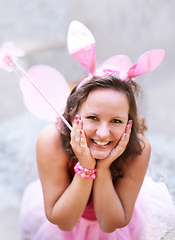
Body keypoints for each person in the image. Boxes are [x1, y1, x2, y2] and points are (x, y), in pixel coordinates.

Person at [19, 21, 175, 240]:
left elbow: (110, 224)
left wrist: (103, 170)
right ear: (73, 113)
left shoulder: (138, 146)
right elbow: (63, 221)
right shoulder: (51, 140)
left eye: (116, 121)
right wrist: (85, 166)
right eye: (93, 118)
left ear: (128, 122)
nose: (103, 133)